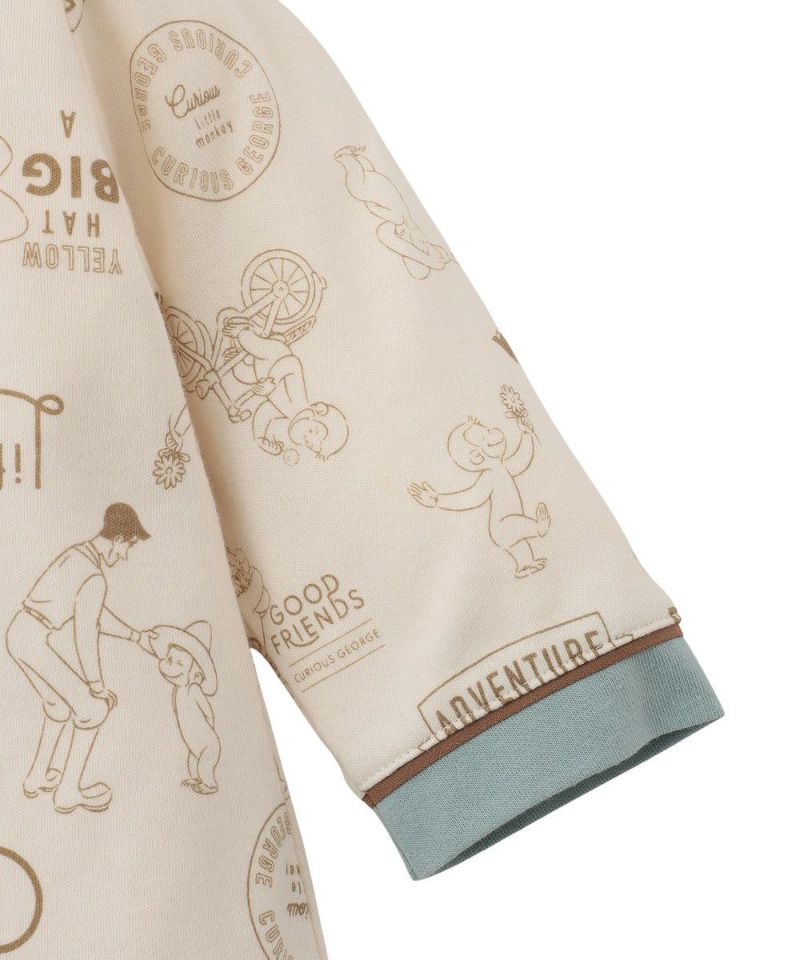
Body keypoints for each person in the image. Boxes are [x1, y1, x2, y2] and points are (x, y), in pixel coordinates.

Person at [5, 503, 155, 813]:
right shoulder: (94, 576)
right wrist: (97, 687)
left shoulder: (79, 555)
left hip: (20, 632)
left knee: (59, 706)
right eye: (128, 546)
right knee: (93, 710)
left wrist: (136, 636)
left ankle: (36, 778)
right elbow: (86, 634)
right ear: (118, 539)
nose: (125, 555)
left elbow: (94, 615)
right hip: (31, 639)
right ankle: (67, 792)